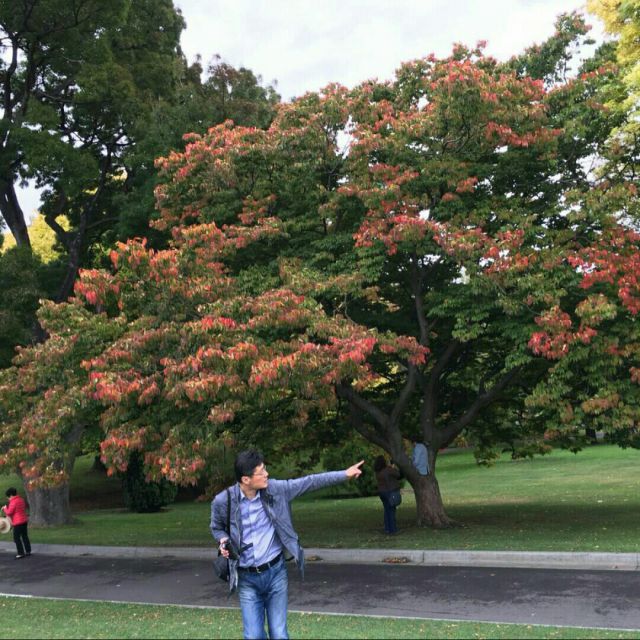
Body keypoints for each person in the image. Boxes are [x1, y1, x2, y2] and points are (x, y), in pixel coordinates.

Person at [211, 449, 364, 640]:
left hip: (275, 573)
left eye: (265, 469)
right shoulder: (223, 501)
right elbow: (216, 528)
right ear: (246, 479)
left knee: (279, 634)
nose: (267, 474)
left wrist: (344, 474)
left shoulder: (276, 490)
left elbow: (310, 482)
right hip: (246, 578)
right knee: (253, 636)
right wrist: (223, 540)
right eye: (261, 472)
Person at [373, 455, 402, 535]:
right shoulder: (388, 470)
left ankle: (387, 528)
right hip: (390, 491)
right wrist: (393, 467)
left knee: (387, 510)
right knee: (391, 511)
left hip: (382, 492)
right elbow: (398, 474)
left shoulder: (378, 472)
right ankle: (393, 530)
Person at [2, 487, 31, 559]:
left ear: (11, 495)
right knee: (25, 536)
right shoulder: (21, 499)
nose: (9, 498)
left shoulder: (13, 502)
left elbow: (9, 512)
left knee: (16, 538)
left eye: (9, 497)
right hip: (24, 520)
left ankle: (21, 553)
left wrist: (5, 509)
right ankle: (28, 551)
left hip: (18, 522)